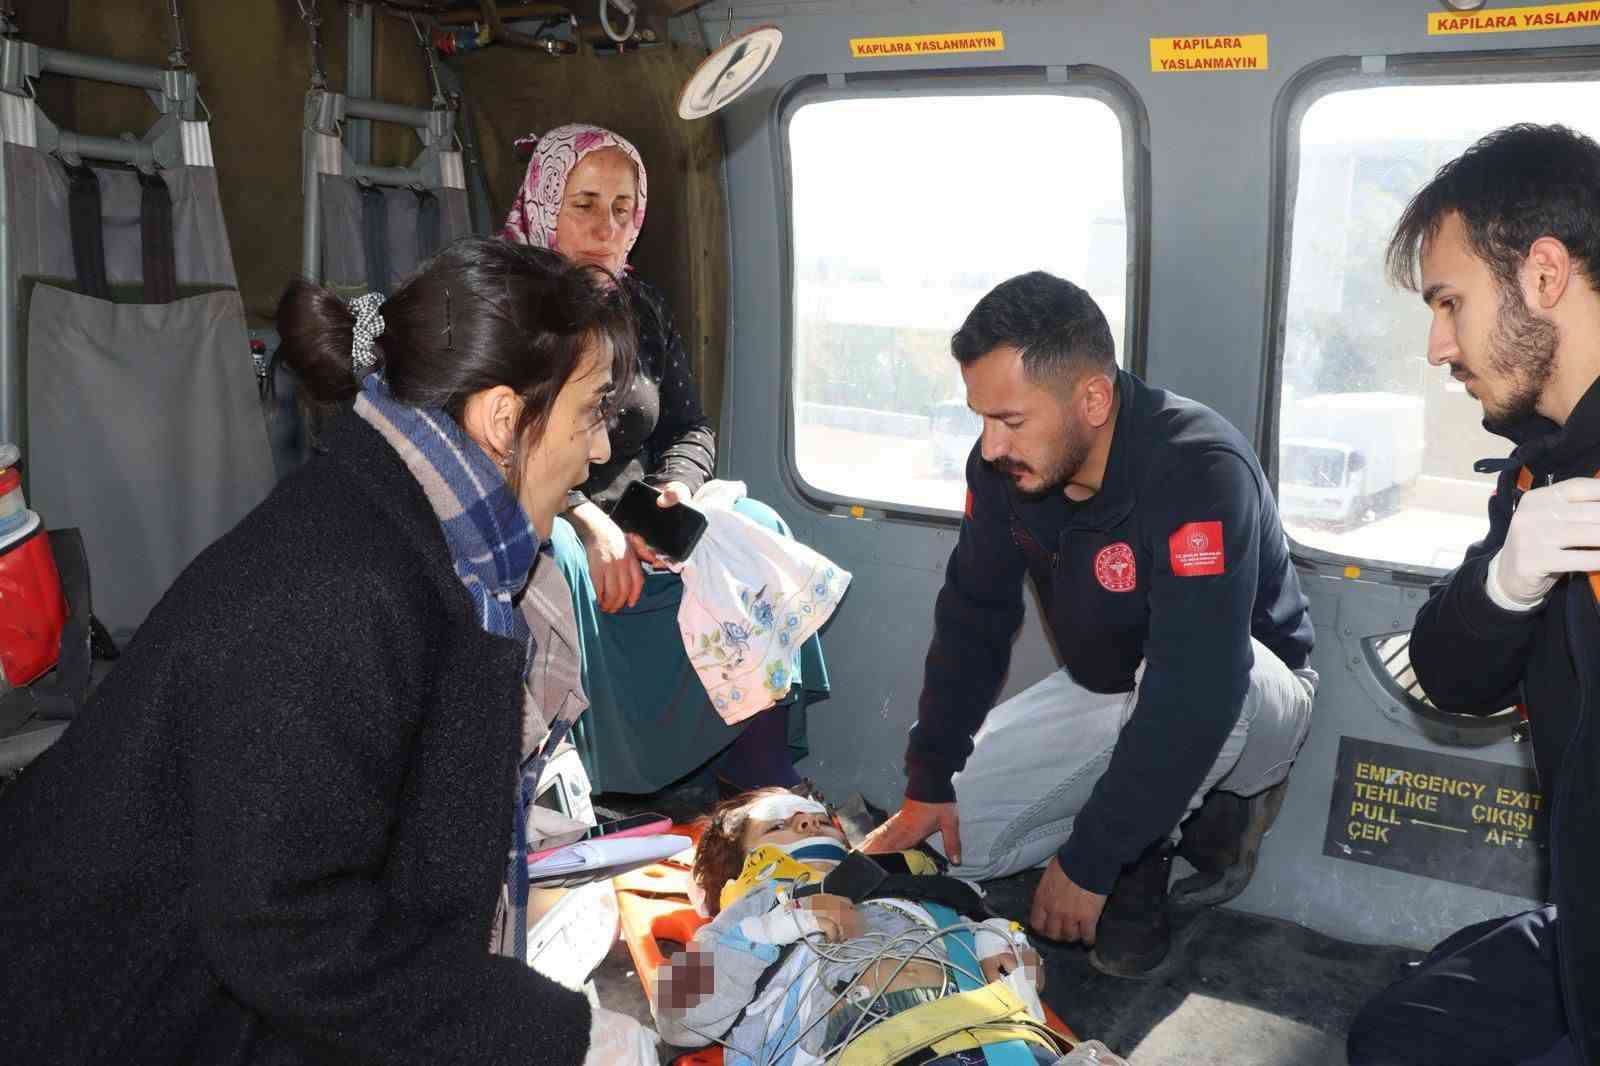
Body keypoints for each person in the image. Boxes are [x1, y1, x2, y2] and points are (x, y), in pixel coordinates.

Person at [0, 239, 659, 1065]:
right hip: (98, 1019)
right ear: (502, 419)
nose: (598, 452)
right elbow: (287, 924)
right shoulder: (342, 586)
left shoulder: (412, 537)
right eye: (590, 413)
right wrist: (556, 1038)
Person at [860, 272, 1317, 977]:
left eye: (1011, 421)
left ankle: (1149, 854)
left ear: (1094, 400)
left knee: (1203, 682)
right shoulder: (1004, 470)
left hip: (1251, 697)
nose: (990, 446)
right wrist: (930, 778)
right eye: (981, 418)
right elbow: (974, 617)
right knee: (946, 839)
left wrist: (1094, 859)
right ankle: (1143, 807)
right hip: (1110, 689)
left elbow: (1200, 683)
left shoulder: (1198, 467)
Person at [1347, 123, 1600, 1066]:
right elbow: (1450, 674)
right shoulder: (1540, 468)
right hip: (1582, 909)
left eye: (1450, 302)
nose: (1436, 346)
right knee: (1392, 1038)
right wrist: (1505, 583)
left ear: (1544, 274)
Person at [503, 123, 831, 797]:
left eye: (623, 209)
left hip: (636, 511)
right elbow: (507, 441)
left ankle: (758, 771)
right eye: (585, 204)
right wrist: (589, 522)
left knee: (757, 525)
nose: (607, 227)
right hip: (552, 506)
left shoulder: (642, 305)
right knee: (556, 556)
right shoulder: (510, 308)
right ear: (545, 203)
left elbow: (689, 427)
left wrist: (671, 492)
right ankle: (573, 785)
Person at [654, 789, 1100, 1065]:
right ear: (742, 868)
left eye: (818, 817)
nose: (809, 821)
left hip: (1001, 1042)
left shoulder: (922, 889)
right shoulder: (756, 911)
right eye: (779, 825)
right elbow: (676, 1015)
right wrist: (770, 931)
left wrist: (1002, 941)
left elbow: (1022, 969)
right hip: (858, 1049)